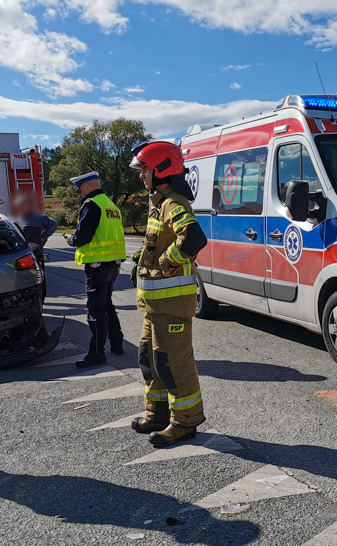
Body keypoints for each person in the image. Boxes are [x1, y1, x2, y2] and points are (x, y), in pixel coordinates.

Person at [129, 141, 208, 448]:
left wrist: (167, 261)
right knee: (150, 360)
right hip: (154, 305)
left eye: (145, 170)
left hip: (172, 304)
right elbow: (157, 242)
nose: (141, 177)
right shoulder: (158, 204)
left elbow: (193, 239)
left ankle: (185, 423)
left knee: (174, 362)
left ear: (161, 170)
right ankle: (158, 415)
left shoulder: (174, 203)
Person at [63, 172, 126, 368]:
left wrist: (70, 239)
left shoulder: (92, 205)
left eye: (80, 190)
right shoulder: (111, 205)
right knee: (107, 305)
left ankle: (97, 353)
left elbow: (83, 236)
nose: (79, 194)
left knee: (95, 311)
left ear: (88, 187)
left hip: (97, 266)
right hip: (112, 265)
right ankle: (117, 343)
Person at [12, 192, 57, 300]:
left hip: (36, 254)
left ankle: (41, 299)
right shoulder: (18, 219)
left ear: (27, 206)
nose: (19, 209)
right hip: (23, 256)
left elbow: (53, 225)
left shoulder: (39, 217)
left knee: (39, 278)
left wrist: (43, 236)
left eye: (20, 207)